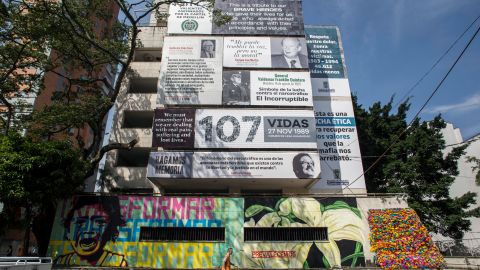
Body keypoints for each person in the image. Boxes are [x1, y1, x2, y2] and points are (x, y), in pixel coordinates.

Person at [53, 196, 127, 267]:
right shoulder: (61, 262)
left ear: (111, 230)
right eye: (80, 222)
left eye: (99, 222)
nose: (88, 231)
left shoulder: (118, 263)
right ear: (68, 231)